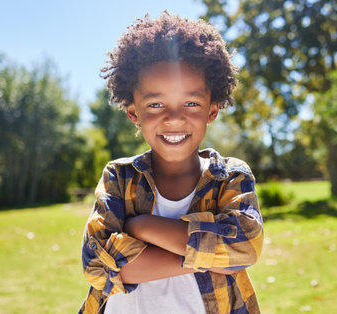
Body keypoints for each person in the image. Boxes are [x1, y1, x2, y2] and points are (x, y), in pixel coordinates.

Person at [79, 12, 263, 314]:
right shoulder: (119, 176)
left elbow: (245, 247)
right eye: (156, 104)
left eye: (191, 103)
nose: (175, 117)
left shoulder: (230, 177)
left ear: (212, 111)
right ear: (134, 113)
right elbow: (98, 265)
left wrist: (142, 225)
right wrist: (208, 257)